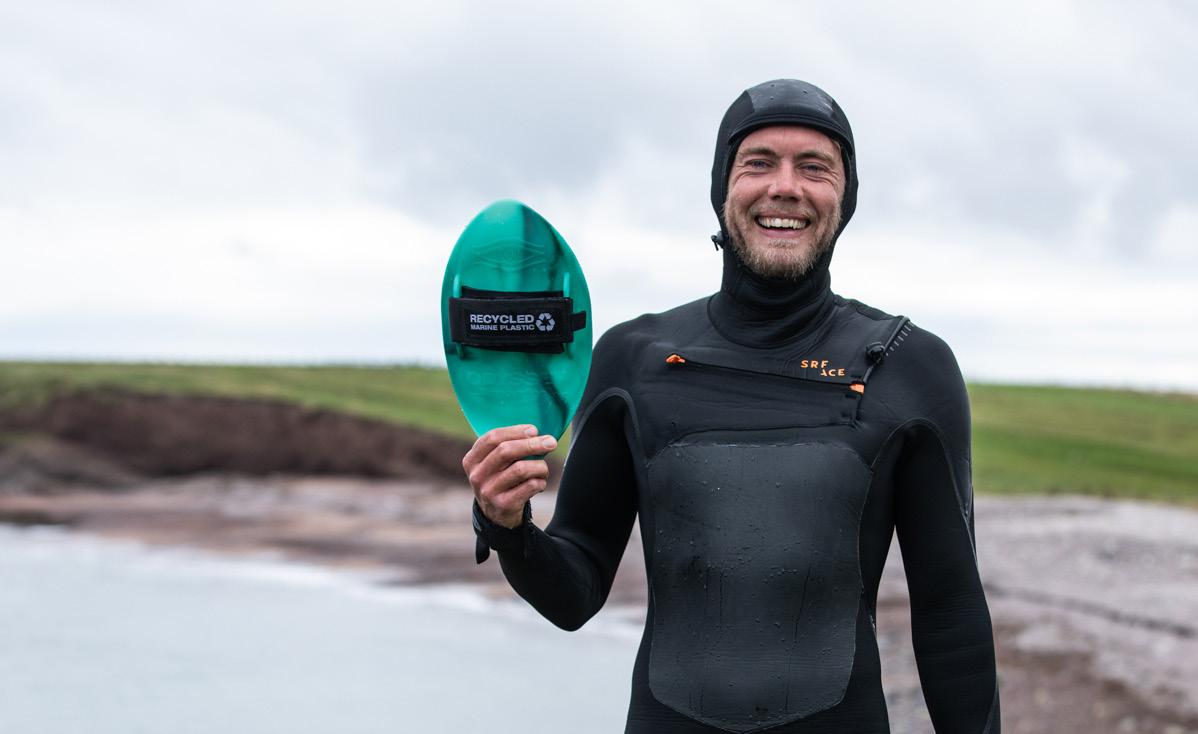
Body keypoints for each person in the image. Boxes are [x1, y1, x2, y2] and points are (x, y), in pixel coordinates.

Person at [462, 79, 1001, 733]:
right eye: (759, 162)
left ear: (846, 196)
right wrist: (508, 526)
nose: (785, 187)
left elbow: (951, 618)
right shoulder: (631, 361)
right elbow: (574, 594)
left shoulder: (909, 368)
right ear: (723, 187)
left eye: (814, 167)